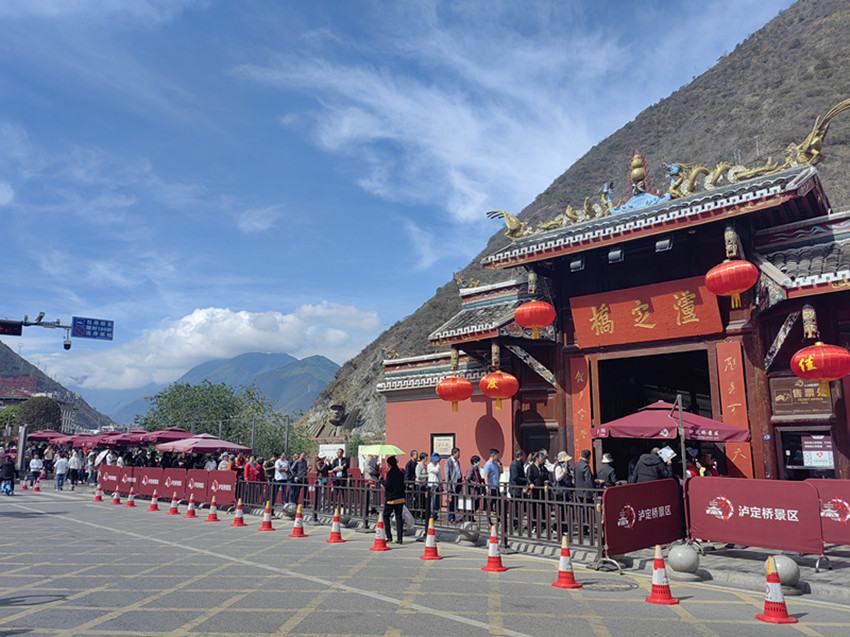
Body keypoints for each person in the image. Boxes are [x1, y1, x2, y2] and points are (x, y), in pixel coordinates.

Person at [379, 455, 406, 544]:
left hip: (391, 499)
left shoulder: (390, 473)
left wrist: (381, 481)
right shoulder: (400, 472)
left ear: (389, 464)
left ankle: (389, 536)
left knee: (386, 516)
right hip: (400, 497)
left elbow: (387, 485)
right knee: (399, 517)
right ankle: (400, 538)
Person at [526, 451, 549, 533]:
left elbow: (546, 477)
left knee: (543, 508)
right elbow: (528, 478)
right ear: (537, 458)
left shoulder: (543, 468)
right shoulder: (531, 468)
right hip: (534, 491)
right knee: (534, 508)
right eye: (542, 457)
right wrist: (531, 483)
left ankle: (543, 525)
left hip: (542, 491)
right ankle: (534, 525)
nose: (543, 459)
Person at [509, 449, 528, 530]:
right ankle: (515, 524)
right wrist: (525, 480)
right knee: (516, 508)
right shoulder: (514, 464)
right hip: (515, 489)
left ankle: (518, 523)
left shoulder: (519, 463)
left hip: (519, 489)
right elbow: (515, 477)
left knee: (520, 508)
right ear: (520, 456)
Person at [442, 447, 462, 523]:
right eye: (458, 453)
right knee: (451, 501)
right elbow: (447, 475)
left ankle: (454, 516)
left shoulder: (457, 461)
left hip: (458, 482)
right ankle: (451, 517)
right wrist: (448, 485)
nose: (459, 455)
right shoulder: (448, 462)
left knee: (455, 501)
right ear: (454, 453)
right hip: (452, 483)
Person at [427, 453, 442, 521]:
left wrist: (440, 482)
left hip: (437, 484)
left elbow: (439, 474)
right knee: (432, 500)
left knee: (437, 501)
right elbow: (436, 471)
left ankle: (435, 513)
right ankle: (432, 514)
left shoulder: (437, 466)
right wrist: (438, 465)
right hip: (432, 484)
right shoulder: (430, 465)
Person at [414, 452, 428, 518]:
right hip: (419, 485)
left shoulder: (425, 465)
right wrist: (426, 476)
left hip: (424, 485)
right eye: (426, 457)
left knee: (424, 500)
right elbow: (418, 476)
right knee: (419, 500)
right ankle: (418, 514)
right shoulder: (419, 466)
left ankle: (424, 514)